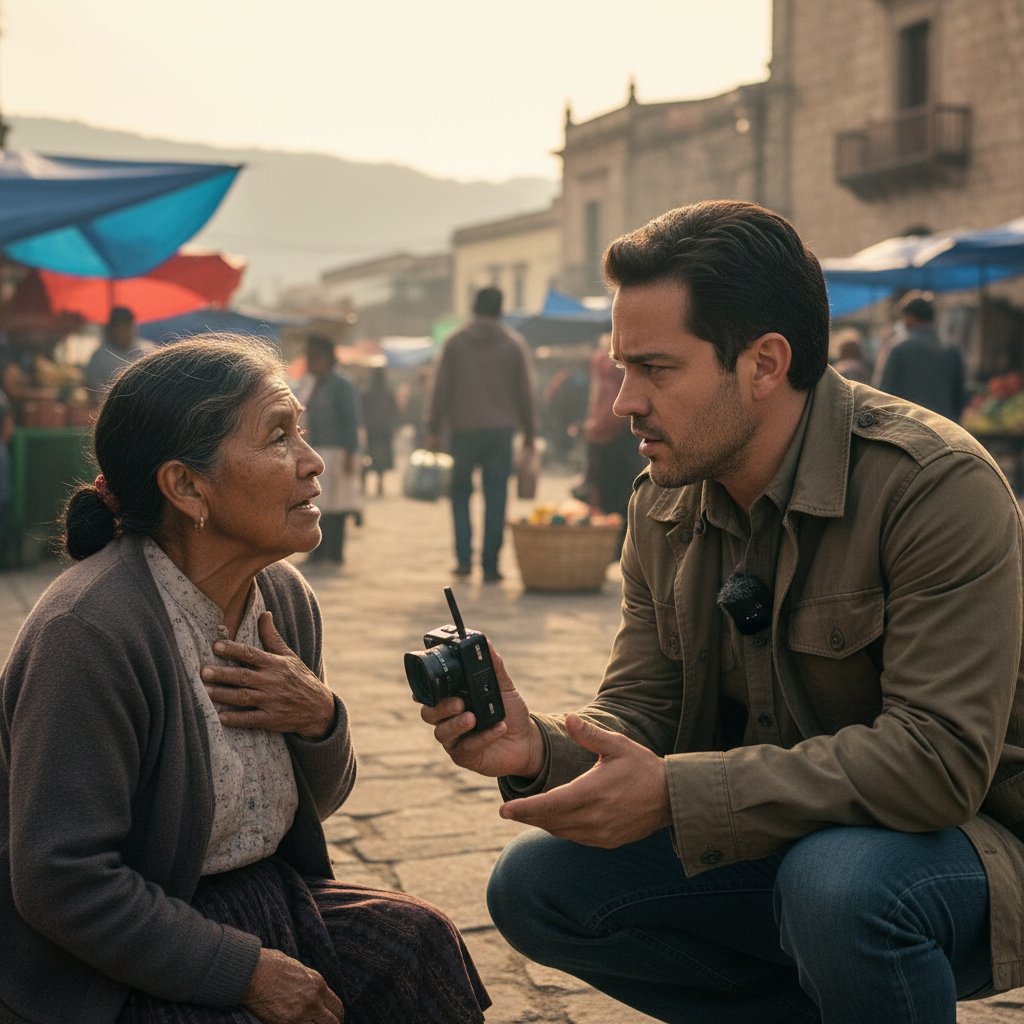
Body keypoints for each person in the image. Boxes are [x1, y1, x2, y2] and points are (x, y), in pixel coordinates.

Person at [420, 200, 1024, 1023]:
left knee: (837, 886)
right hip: (785, 834)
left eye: (656, 369)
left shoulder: (932, 486)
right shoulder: (662, 502)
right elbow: (645, 705)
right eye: (622, 367)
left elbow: (937, 763)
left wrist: (678, 794)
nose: (624, 401)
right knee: (537, 885)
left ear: (764, 364)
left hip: (973, 842)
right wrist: (540, 747)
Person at [0, 335, 490, 1023]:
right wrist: (243, 971)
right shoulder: (91, 631)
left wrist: (319, 718)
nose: (313, 462)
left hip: (265, 897)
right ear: (186, 486)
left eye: (301, 432)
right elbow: (61, 882)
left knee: (417, 943)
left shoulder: (283, 599)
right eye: (279, 437)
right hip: (115, 951)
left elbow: (313, 805)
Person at [426, 286, 537, 582]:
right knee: (496, 497)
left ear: (473, 308)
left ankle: (464, 559)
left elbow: (440, 389)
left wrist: (433, 428)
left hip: (462, 430)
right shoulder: (513, 344)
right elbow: (525, 393)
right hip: (501, 432)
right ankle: (490, 565)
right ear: (501, 310)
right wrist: (529, 431)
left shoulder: (455, 342)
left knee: (460, 495)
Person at [571, 333, 646, 551]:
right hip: (626, 436)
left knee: (606, 493)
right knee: (625, 491)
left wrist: (592, 428)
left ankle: (611, 546)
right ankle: (622, 544)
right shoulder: (623, 364)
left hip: (606, 438)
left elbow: (606, 404)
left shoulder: (604, 365)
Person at [299, 335, 363, 566]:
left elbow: (351, 421)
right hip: (316, 450)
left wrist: (351, 452)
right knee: (319, 503)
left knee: (337, 505)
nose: (311, 363)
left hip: (337, 452)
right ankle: (318, 551)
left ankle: (334, 552)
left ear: (327, 358)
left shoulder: (342, 385)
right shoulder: (311, 384)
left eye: (315, 358)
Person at [878, 291, 967, 422]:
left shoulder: (898, 348)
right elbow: (959, 394)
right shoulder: (952, 349)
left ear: (910, 317)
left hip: (908, 424)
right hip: (944, 424)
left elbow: (885, 393)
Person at [85, 306, 148, 398]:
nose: (122, 332)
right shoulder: (100, 357)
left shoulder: (146, 351)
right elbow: (94, 390)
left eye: (126, 327)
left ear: (134, 327)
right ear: (110, 329)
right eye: (118, 327)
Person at [359, 365, 400, 498]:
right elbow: (395, 411)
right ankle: (379, 484)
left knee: (368, 456)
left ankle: (363, 484)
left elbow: (361, 411)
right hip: (384, 430)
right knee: (381, 457)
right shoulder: (388, 392)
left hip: (372, 430)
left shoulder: (366, 392)